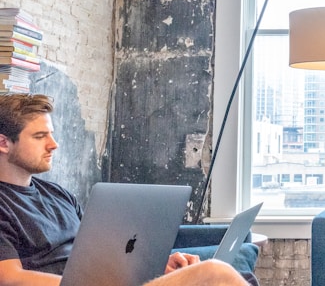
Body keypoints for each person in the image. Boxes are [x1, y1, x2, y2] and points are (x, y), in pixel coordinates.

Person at [0, 93, 252, 286]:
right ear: (4, 143)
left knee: (238, 277)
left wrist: (154, 266)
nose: (53, 144)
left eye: (51, 134)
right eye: (39, 136)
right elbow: (10, 278)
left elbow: (98, 254)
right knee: (214, 273)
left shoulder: (57, 194)